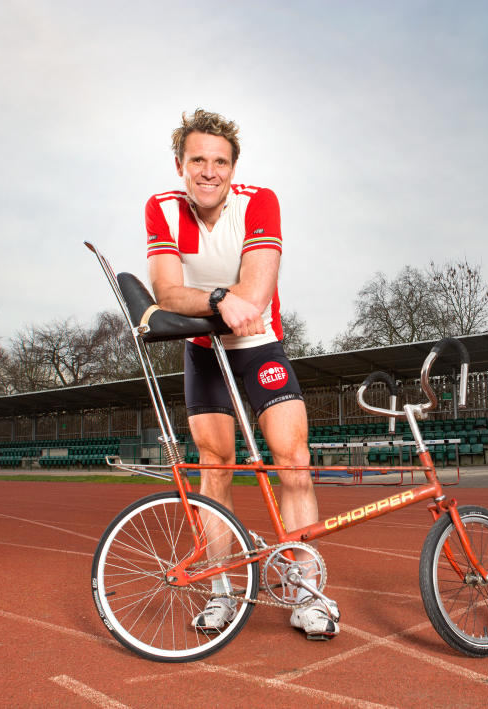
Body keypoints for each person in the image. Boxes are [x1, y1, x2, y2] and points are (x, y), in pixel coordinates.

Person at [145, 109, 338, 640]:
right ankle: (221, 591)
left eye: (220, 162)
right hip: (204, 351)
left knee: (294, 461)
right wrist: (216, 298)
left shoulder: (259, 202)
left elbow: (255, 294)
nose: (209, 171)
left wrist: (222, 300)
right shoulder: (161, 209)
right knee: (215, 466)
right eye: (198, 160)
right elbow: (166, 292)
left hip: (259, 346)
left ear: (233, 166)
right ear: (180, 164)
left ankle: (306, 592)